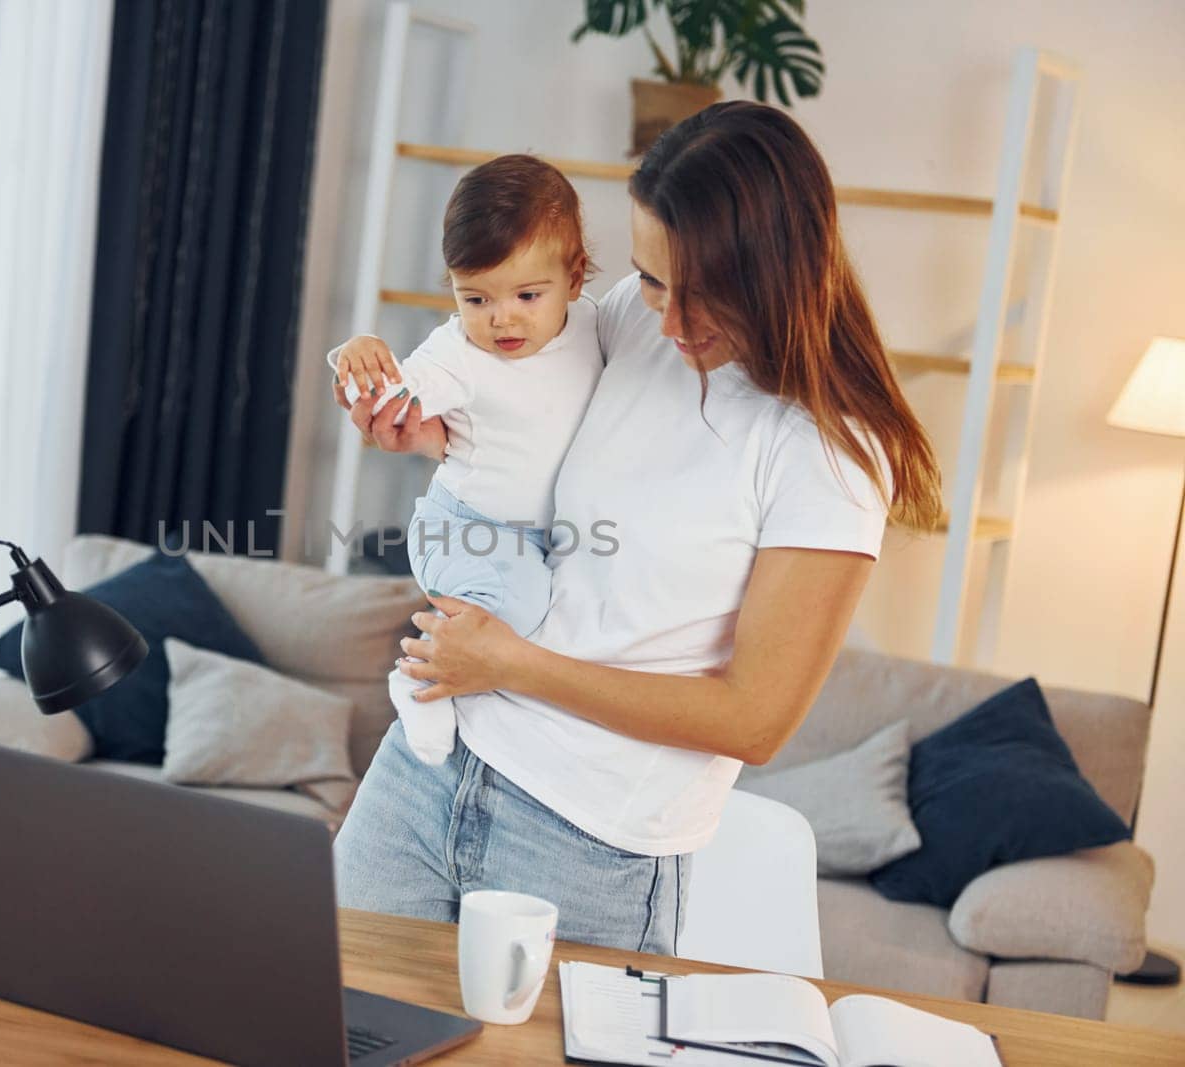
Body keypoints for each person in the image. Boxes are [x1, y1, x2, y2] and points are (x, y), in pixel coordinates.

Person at [328, 101, 944, 955]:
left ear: (779, 272)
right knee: (327, 1029)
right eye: (653, 278)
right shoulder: (636, 320)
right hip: (429, 769)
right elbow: (521, 412)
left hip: (586, 844)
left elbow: (753, 719)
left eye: (704, 295)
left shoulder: (830, 453)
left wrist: (513, 663)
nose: (669, 321)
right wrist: (421, 426)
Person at [329, 155, 602, 765]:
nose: (501, 317)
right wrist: (358, 359)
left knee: (551, 618)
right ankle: (419, 680)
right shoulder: (457, 353)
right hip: (462, 531)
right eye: (475, 297)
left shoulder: (591, 329)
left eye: (527, 294)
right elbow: (389, 394)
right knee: (522, 612)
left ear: (576, 278)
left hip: (533, 539)